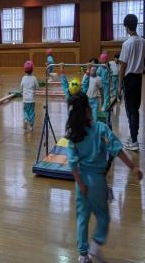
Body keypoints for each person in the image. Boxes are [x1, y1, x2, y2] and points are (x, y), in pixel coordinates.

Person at [66, 93, 143, 263]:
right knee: (103, 216)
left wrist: (80, 184)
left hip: (81, 184)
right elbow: (116, 149)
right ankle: (96, 245)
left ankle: (83, 254)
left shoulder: (73, 135)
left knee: (82, 218)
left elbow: (72, 164)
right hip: (97, 181)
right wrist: (133, 167)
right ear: (87, 111)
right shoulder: (101, 129)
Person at [118, 14, 145, 151]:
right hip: (139, 79)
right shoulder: (142, 41)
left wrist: (118, 87)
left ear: (127, 27)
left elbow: (122, 67)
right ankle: (134, 137)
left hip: (129, 80)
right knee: (136, 109)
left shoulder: (127, 44)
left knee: (131, 110)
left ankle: (134, 141)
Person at [20, 61, 39, 132]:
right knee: (31, 112)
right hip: (32, 99)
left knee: (25, 111)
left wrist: (22, 92)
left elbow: (21, 87)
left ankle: (25, 119)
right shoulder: (34, 78)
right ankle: (31, 125)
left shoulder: (23, 78)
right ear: (32, 69)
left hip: (25, 99)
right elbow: (37, 87)